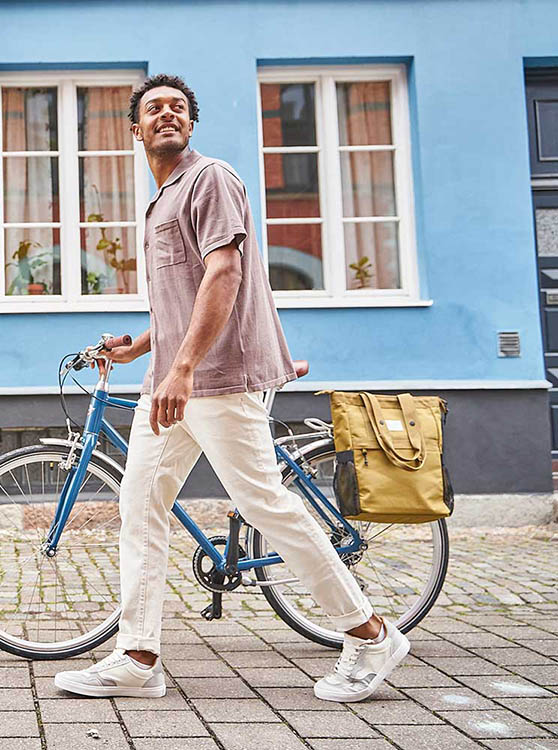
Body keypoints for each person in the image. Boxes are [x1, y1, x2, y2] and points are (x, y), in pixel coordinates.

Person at [54, 73, 409, 703]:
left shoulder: (208, 178)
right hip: (173, 381)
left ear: (190, 125)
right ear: (135, 129)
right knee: (140, 508)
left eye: (179, 108)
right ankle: (137, 657)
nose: (167, 114)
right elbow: (184, 296)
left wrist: (183, 367)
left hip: (215, 379)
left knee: (266, 506)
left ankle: (371, 633)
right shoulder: (161, 199)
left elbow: (225, 274)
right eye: (154, 108)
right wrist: (142, 346)